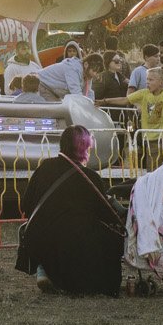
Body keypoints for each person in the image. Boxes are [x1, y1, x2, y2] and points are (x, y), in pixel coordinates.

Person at [13, 124, 124, 296]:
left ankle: (45, 269)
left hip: (42, 240)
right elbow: (108, 215)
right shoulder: (90, 178)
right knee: (110, 238)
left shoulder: (44, 168)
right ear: (85, 147)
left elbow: (26, 204)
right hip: (76, 245)